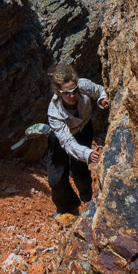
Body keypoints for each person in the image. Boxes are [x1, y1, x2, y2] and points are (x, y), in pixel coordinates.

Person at [46, 62, 109, 217]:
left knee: (79, 172)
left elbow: (99, 90)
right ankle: (67, 208)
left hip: (83, 129)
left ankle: (87, 199)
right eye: (67, 93)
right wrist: (86, 153)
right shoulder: (54, 112)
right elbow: (67, 142)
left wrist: (102, 99)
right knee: (56, 179)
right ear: (58, 92)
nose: (72, 96)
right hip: (61, 136)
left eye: (74, 91)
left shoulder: (83, 86)